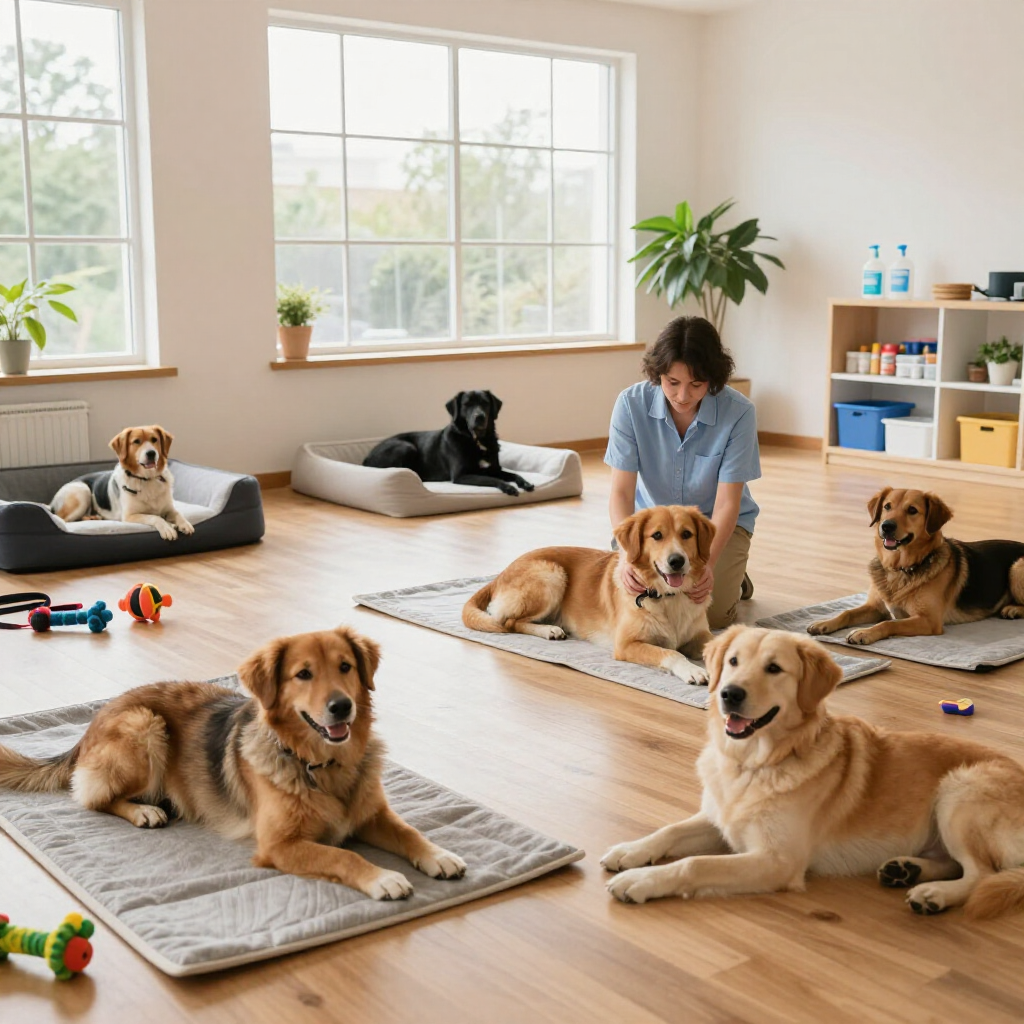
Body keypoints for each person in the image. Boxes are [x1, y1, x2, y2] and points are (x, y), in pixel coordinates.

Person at [605, 315, 760, 629]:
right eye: (672, 382)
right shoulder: (630, 405)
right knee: (633, 598)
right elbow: (621, 492)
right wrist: (626, 556)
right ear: (657, 373)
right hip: (652, 531)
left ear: (713, 379)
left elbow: (727, 504)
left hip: (712, 530)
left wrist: (708, 565)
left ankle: (733, 572)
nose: (682, 396)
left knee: (710, 615)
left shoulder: (739, 413)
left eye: (696, 384)